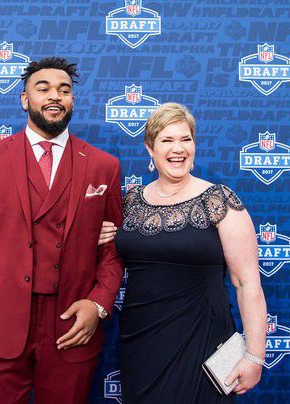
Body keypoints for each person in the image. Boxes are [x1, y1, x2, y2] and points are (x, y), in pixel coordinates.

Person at [0, 57, 124, 404]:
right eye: (42, 89)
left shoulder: (105, 165)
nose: (54, 96)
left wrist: (99, 305)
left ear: (73, 100)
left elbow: (114, 248)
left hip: (71, 323)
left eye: (64, 90)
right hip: (0, 320)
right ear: (25, 99)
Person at [100, 103, 267, 403]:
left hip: (202, 341)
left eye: (185, 139)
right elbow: (109, 254)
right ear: (150, 148)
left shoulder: (219, 200)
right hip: (141, 341)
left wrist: (255, 357)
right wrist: (99, 237)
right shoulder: (131, 201)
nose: (178, 149)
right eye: (167, 140)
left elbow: (247, 284)